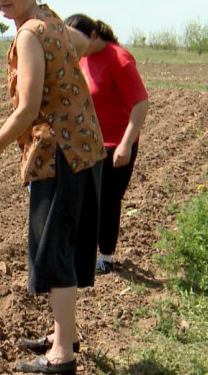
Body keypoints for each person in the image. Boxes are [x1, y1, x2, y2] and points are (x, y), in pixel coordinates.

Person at [0, 0, 105, 374]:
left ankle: (61, 356)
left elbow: (27, 108)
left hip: (59, 155)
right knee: (65, 244)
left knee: (54, 251)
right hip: (85, 148)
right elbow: (79, 49)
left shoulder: (30, 34)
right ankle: (63, 333)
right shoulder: (53, 20)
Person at [64, 14, 149, 275]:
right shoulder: (82, 58)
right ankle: (83, 254)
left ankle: (106, 257)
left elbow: (140, 103)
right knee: (85, 199)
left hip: (116, 144)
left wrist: (126, 144)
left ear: (92, 35)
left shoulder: (119, 59)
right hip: (89, 143)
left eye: (75, 39)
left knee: (108, 201)